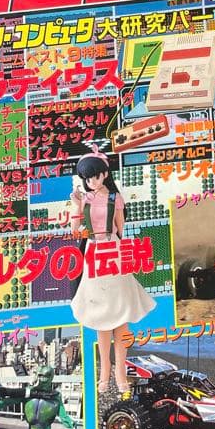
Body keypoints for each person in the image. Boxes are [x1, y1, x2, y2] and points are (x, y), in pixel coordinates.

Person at [70, 146, 155, 393]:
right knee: (102, 314)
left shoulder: (115, 198)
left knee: (120, 312)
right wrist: (75, 207)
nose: (91, 182)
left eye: (95, 176)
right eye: (87, 178)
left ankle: (120, 373)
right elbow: (75, 231)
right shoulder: (83, 199)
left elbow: (120, 228)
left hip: (114, 251)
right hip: (93, 252)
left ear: (105, 174)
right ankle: (105, 372)